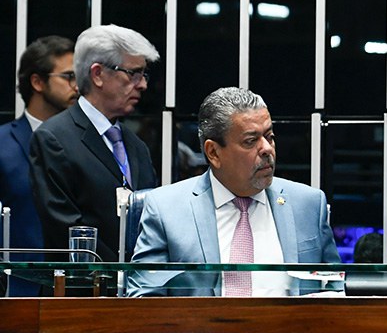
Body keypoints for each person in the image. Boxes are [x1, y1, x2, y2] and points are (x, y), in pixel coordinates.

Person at [128, 87, 340, 297]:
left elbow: (335, 288)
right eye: (250, 141)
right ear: (213, 152)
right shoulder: (166, 209)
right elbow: (145, 303)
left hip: (289, 330)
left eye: (270, 136)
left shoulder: (309, 204)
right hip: (201, 330)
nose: (267, 149)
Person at [29, 24, 160, 263]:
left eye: (144, 74)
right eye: (133, 73)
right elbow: (65, 228)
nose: (143, 85)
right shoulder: (53, 138)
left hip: (137, 293)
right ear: (98, 74)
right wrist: (120, 273)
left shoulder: (137, 146)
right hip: (80, 292)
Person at [0, 35, 77, 295]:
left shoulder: (86, 147)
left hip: (79, 292)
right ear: (37, 82)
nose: (77, 86)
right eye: (68, 77)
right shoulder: (2, 144)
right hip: (14, 292)